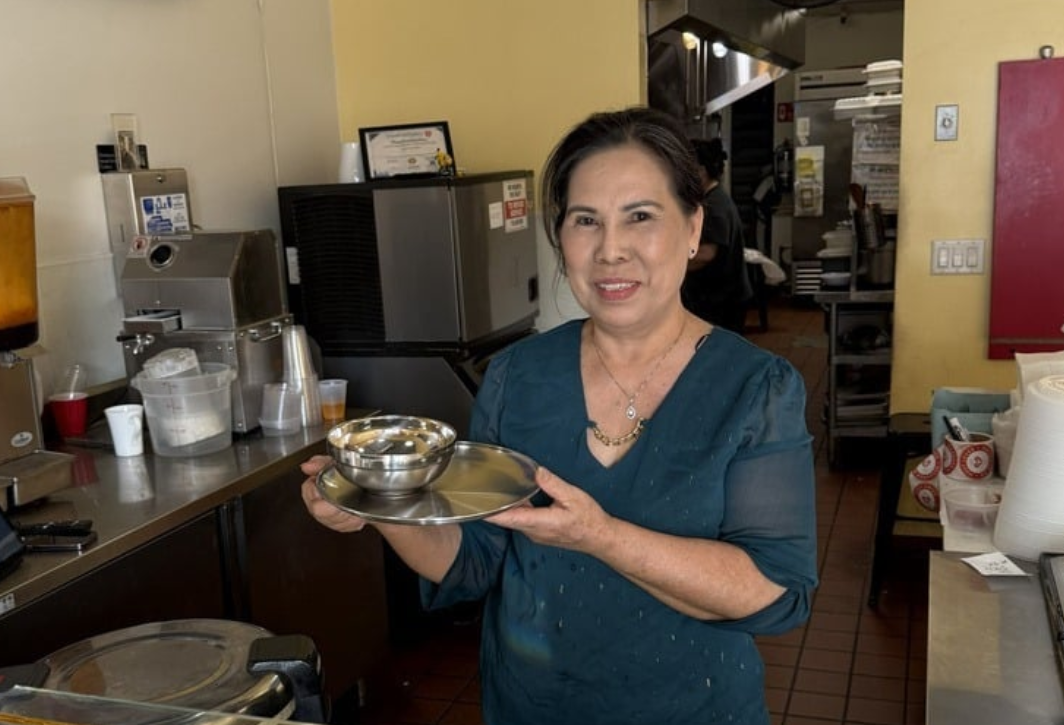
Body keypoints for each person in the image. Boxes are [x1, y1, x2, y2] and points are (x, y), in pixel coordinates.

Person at [300, 107, 817, 725]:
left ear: (691, 227)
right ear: (561, 237)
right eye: (586, 220)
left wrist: (600, 536)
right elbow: (474, 560)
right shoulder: (517, 376)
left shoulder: (756, 388)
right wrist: (380, 502)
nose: (611, 250)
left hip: (693, 708)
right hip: (530, 706)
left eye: (641, 217)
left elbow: (773, 591)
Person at [681, 136, 753, 333]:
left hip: (722, 300)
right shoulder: (714, 198)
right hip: (721, 296)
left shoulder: (714, 206)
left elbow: (706, 253)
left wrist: (673, 266)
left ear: (702, 171)